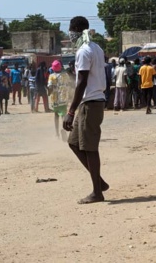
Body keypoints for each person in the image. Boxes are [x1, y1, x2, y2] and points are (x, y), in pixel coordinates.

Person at [63, 16, 109, 204]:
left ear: (75, 29)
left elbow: (81, 82)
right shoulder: (96, 48)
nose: (70, 34)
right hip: (92, 100)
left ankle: (97, 192)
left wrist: (70, 111)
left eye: (70, 30)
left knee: (90, 148)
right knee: (74, 143)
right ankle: (99, 182)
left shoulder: (84, 51)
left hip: (90, 102)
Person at [48, 59, 72, 140]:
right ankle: (64, 129)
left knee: (56, 115)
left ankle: (57, 133)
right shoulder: (65, 75)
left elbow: (50, 87)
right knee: (64, 115)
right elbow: (69, 84)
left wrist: (49, 92)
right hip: (64, 98)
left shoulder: (51, 76)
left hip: (55, 99)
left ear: (53, 68)